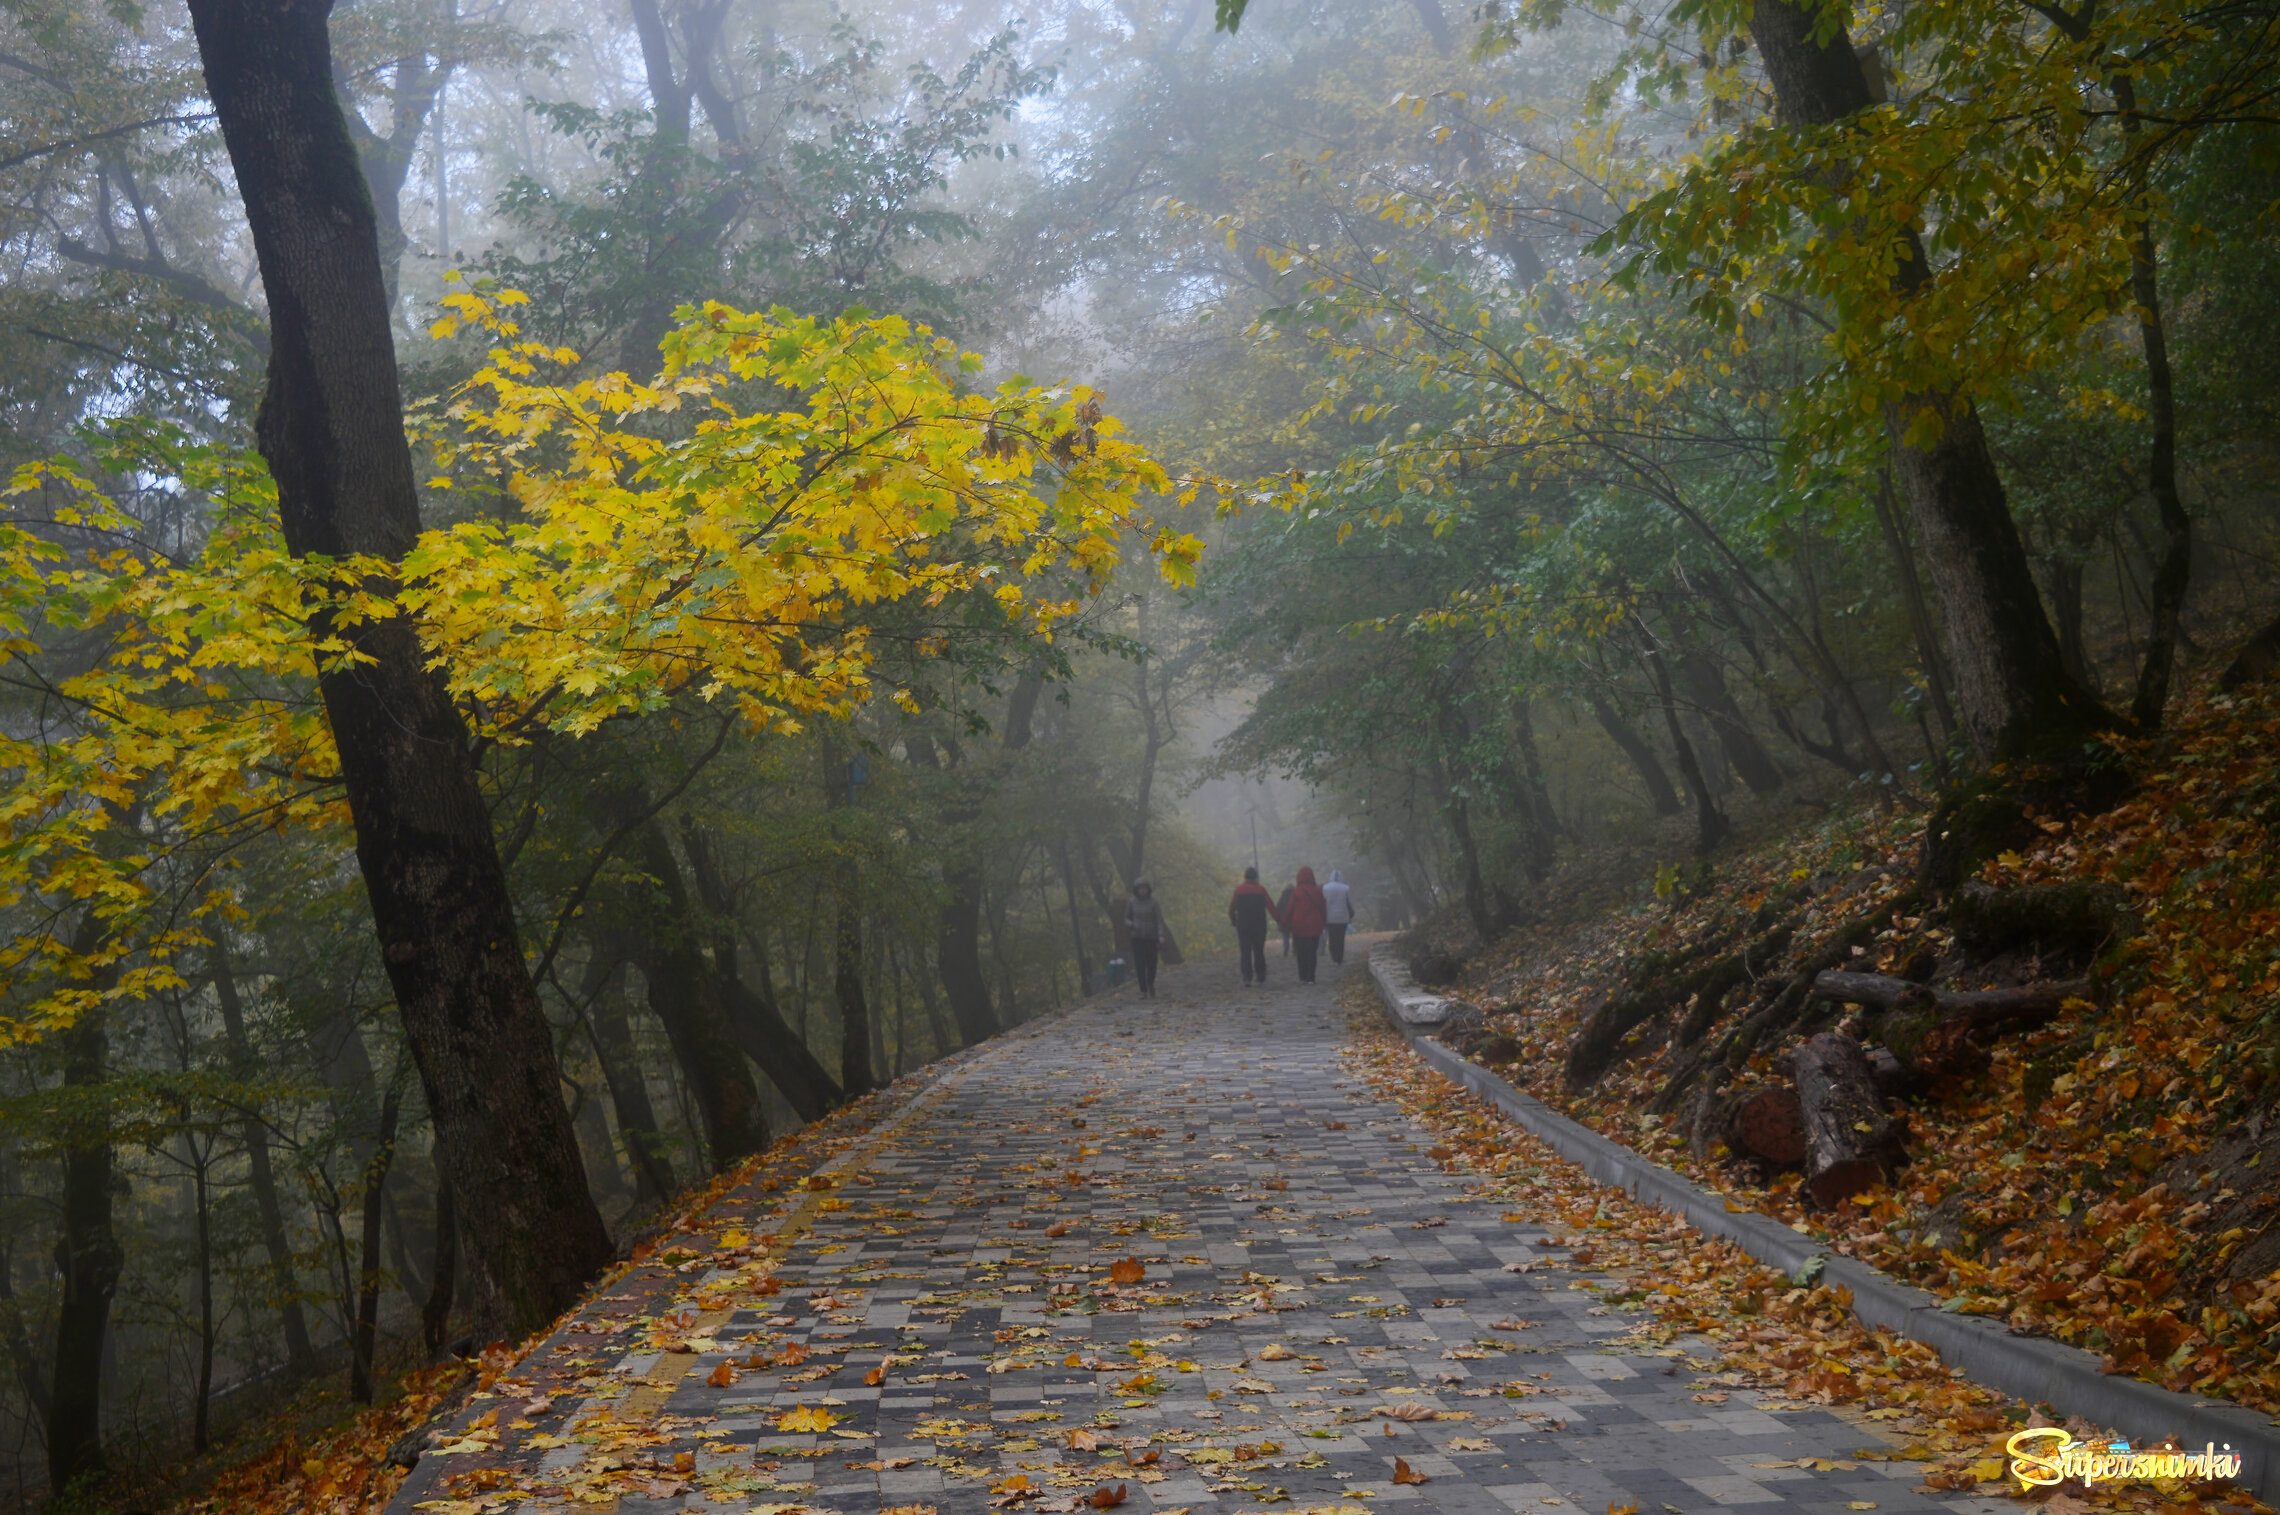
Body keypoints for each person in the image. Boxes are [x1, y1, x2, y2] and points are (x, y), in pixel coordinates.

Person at [1228, 866, 1280, 986]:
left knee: (1245, 952)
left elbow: (1231, 908)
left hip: (1243, 926)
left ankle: (1247, 977)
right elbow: (1271, 906)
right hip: (1259, 926)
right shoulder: (1261, 890)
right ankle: (1260, 975)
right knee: (1259, 951)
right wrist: (1279, 920)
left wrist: (1233, 919)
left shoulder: (1239, 890)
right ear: (1255, 877)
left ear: (1245, 877)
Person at [1285, 866, 1329, 983]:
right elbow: (1322, 908)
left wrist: (1284, 921)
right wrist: (1324, 921)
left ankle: (1303, 976)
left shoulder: (1296, 891)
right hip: (1314, 925)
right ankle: (1311, 977)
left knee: (1301, 952)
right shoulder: (1317, 891)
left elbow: (1290, 909)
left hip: (1299, 925)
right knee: (1312, 952)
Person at [1124, 879, 1165, 996]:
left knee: (1152, 963)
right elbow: (1126, 919)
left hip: (1151, 937)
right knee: (1140, 964)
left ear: (1148, 890)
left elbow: (1159, 920)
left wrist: (1161, 935)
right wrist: (1132, 924)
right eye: (1140, 888)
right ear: (1136, 890)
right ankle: (1143, 989)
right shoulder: (1131, 902)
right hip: (1137, 937)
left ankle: (1150, 983)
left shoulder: (1153, 903)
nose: (1142, 891)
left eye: (1144, 888)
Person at [1322, 869, 1354, 965]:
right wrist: (1351, 915)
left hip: (1330, 917)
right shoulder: (1346, 888)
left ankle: (1334, 956)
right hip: (1342, 917)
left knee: (1332, 937)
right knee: (1340, 938)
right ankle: (1339, 957)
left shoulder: (1325, 888)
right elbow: (1349, 903)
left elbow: (1323, 902)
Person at [1276, 881, 1295, 956]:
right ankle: (1294, 949)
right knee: (1295, 935)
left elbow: (1278, 907)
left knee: (1285, 934)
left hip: (1285, 919)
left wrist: (1278, 919)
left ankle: (1286, 948)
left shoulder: (1283, 896)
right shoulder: (1295, 895)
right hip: (1294, 918)